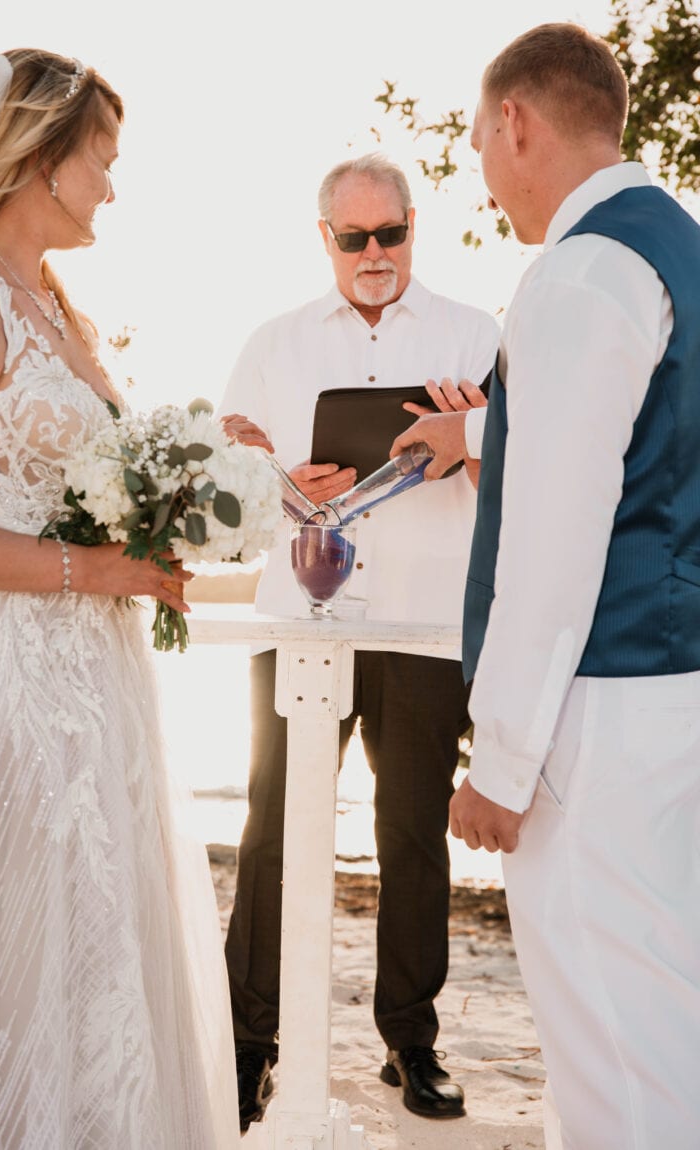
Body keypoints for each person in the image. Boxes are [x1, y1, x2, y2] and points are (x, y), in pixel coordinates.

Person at [395, 22, 700, 1150]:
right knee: (663, 1007)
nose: (482, 165)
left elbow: (555, 540)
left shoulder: (580, 271)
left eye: (479, 141)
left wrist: (503, 762)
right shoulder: (681, 251)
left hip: (601, 714)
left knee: (614, 1039)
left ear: (515, 122)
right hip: (675, 690)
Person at [0, 50, 239, 1148]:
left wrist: (205, 468)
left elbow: (87, 487)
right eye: (102, 158)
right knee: (20, 967)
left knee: (101, 958)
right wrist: (94, 571)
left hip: (99, 682)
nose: (113, 183)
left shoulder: (59, 309)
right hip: (2, 689)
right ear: (39, 158)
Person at [218, 152, 500, 1131]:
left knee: (413, 835)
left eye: (393, 233)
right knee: (270, 835)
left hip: (426, 624)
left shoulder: (479, 333)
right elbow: (224, 481)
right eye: (356, 237)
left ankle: (409, 1038)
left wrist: (476, 447)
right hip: (298, 614)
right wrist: (278, 479)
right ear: (325, 237)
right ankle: (249, 1039)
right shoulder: (271, 342)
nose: (377, 253)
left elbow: (523, 478)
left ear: (416, 226)